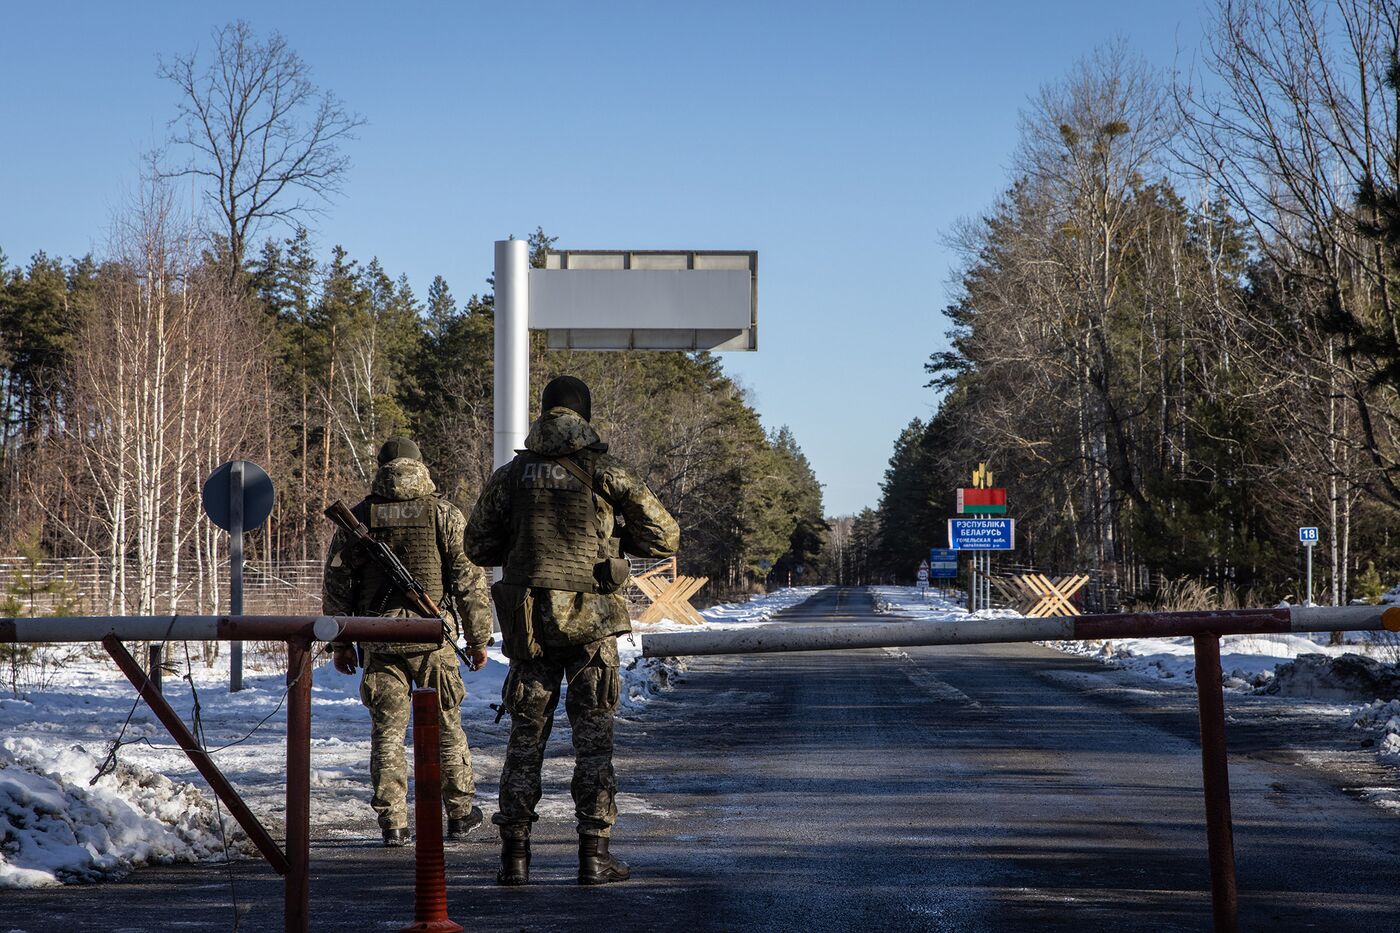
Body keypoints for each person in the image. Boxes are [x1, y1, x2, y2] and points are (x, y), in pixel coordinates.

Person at [465, 375, 679, 886]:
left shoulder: (510, 476)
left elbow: (477, 547)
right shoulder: (608, 471)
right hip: (592, 628)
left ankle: (514, 859)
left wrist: (523, 548)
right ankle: (593, 855)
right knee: (594, 743)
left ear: (542, 414)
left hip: (530, 628)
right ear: (585, 415)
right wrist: (617, 534)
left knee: (525, 739)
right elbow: (666, 535)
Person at [323, 436, 493, 847]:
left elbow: (337, 582)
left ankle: (393, 822)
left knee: (387, 734)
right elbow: (469, 583)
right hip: (433, 640)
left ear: (381, 467)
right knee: (448, 727)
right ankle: (459, 813)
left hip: (378, 642)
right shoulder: (443, 514)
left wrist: (342, 643)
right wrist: (478, 638)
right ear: (421, 466)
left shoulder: (362, 516)